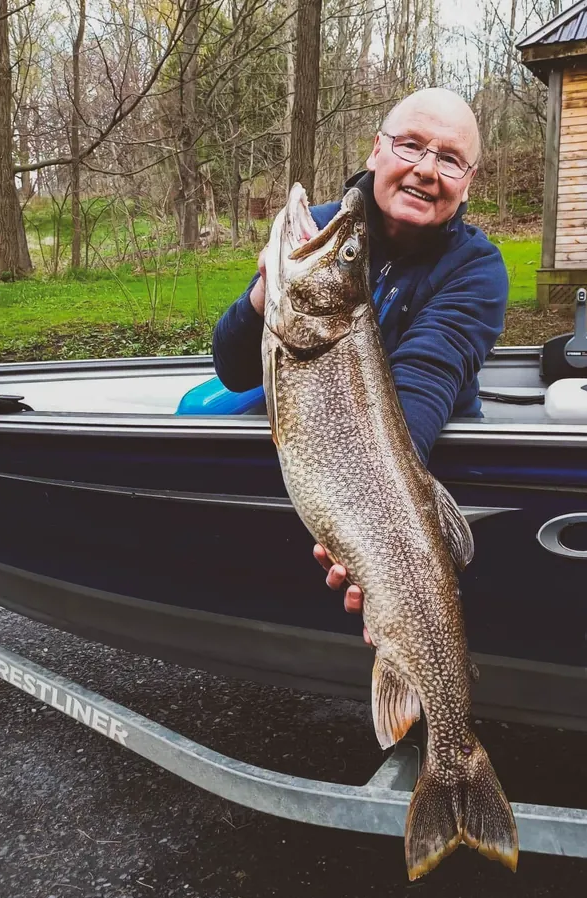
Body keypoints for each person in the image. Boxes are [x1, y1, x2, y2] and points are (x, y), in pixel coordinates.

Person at [212, 87, 508, 643]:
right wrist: (267, 294)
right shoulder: (324, 235)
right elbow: (232, 368)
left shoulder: (478, 270)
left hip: (417, 466)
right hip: (332, 466)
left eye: (449, 159)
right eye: (411, 146)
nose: (426, 169)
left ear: (467, 180)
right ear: (376, 150)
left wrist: (382, 541)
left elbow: (420, 388)